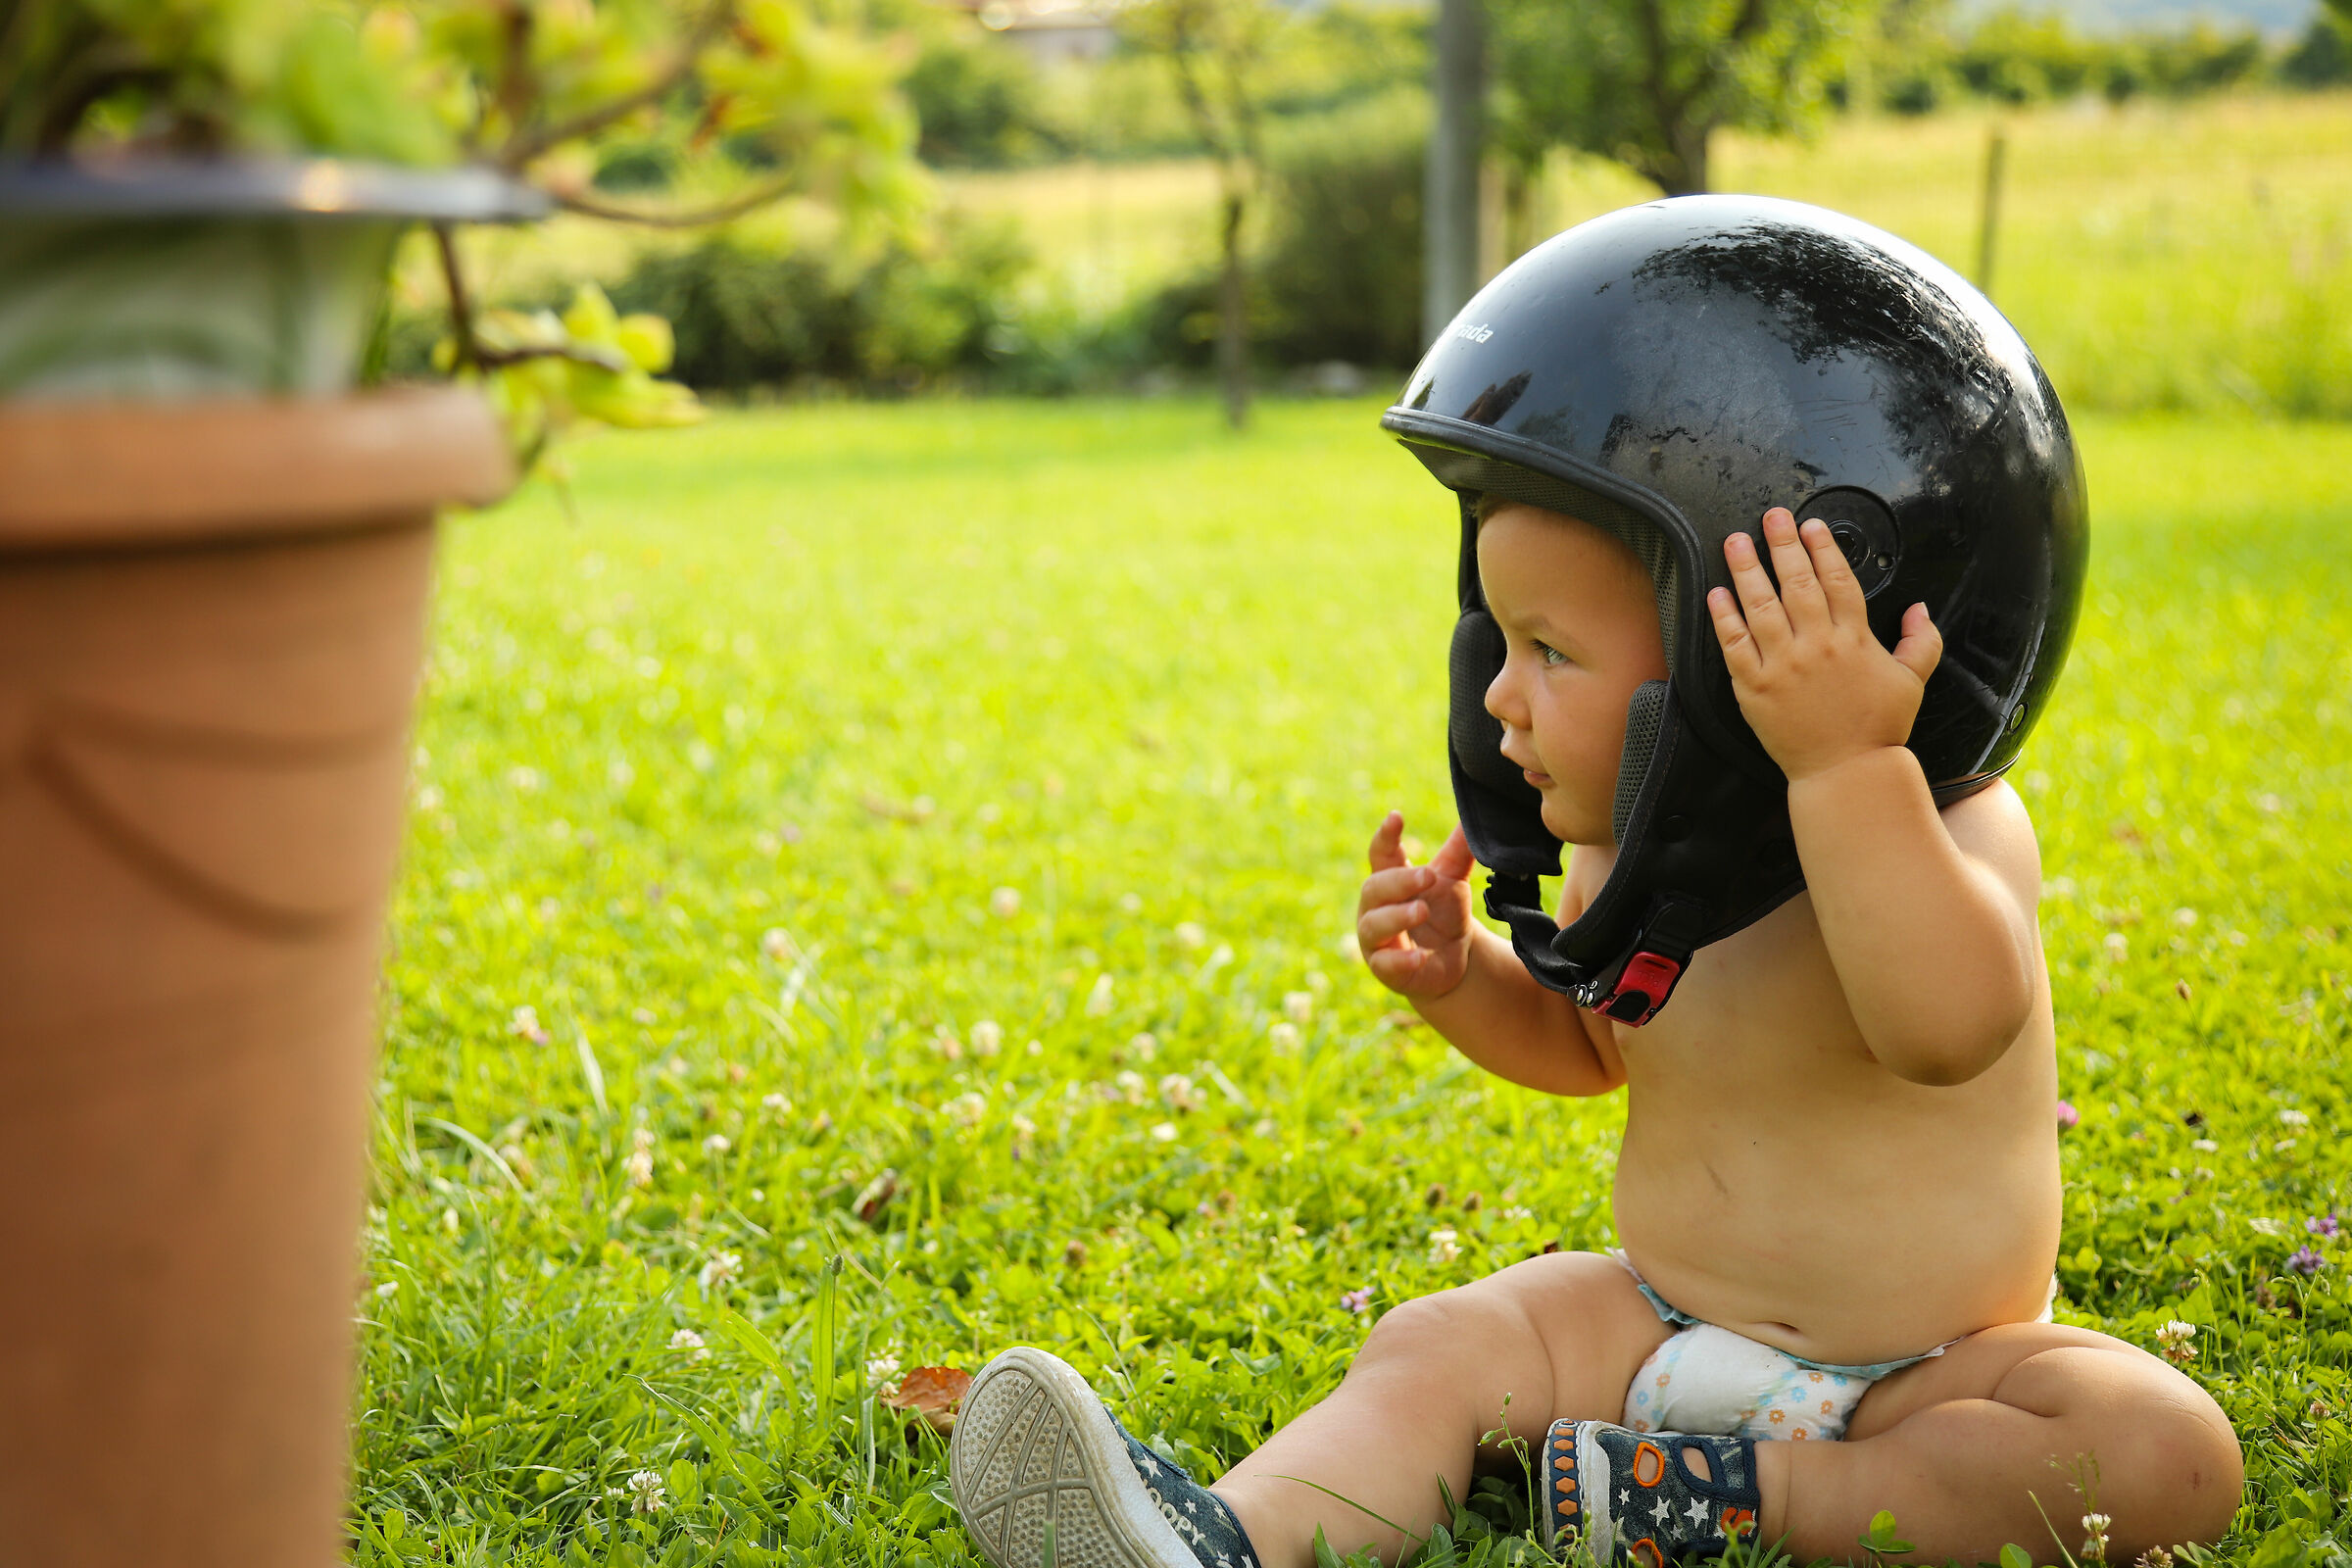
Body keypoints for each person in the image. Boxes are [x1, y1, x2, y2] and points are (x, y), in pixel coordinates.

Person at [947, 200, 2243, 1568]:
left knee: (2156, 1446)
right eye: (1497, 642)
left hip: (1931, 1374)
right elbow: (1592, 1045)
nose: (1500, 696)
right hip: (1653, 1328)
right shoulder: (1644, 851)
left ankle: (1744, 1506)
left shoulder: (1946, 827)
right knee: (1443, 1345)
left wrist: (1846, 767)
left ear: (1799, 625)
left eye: (1551, 651)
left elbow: (1944, 1027)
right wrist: (1464, 980)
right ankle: (1234, 1542)